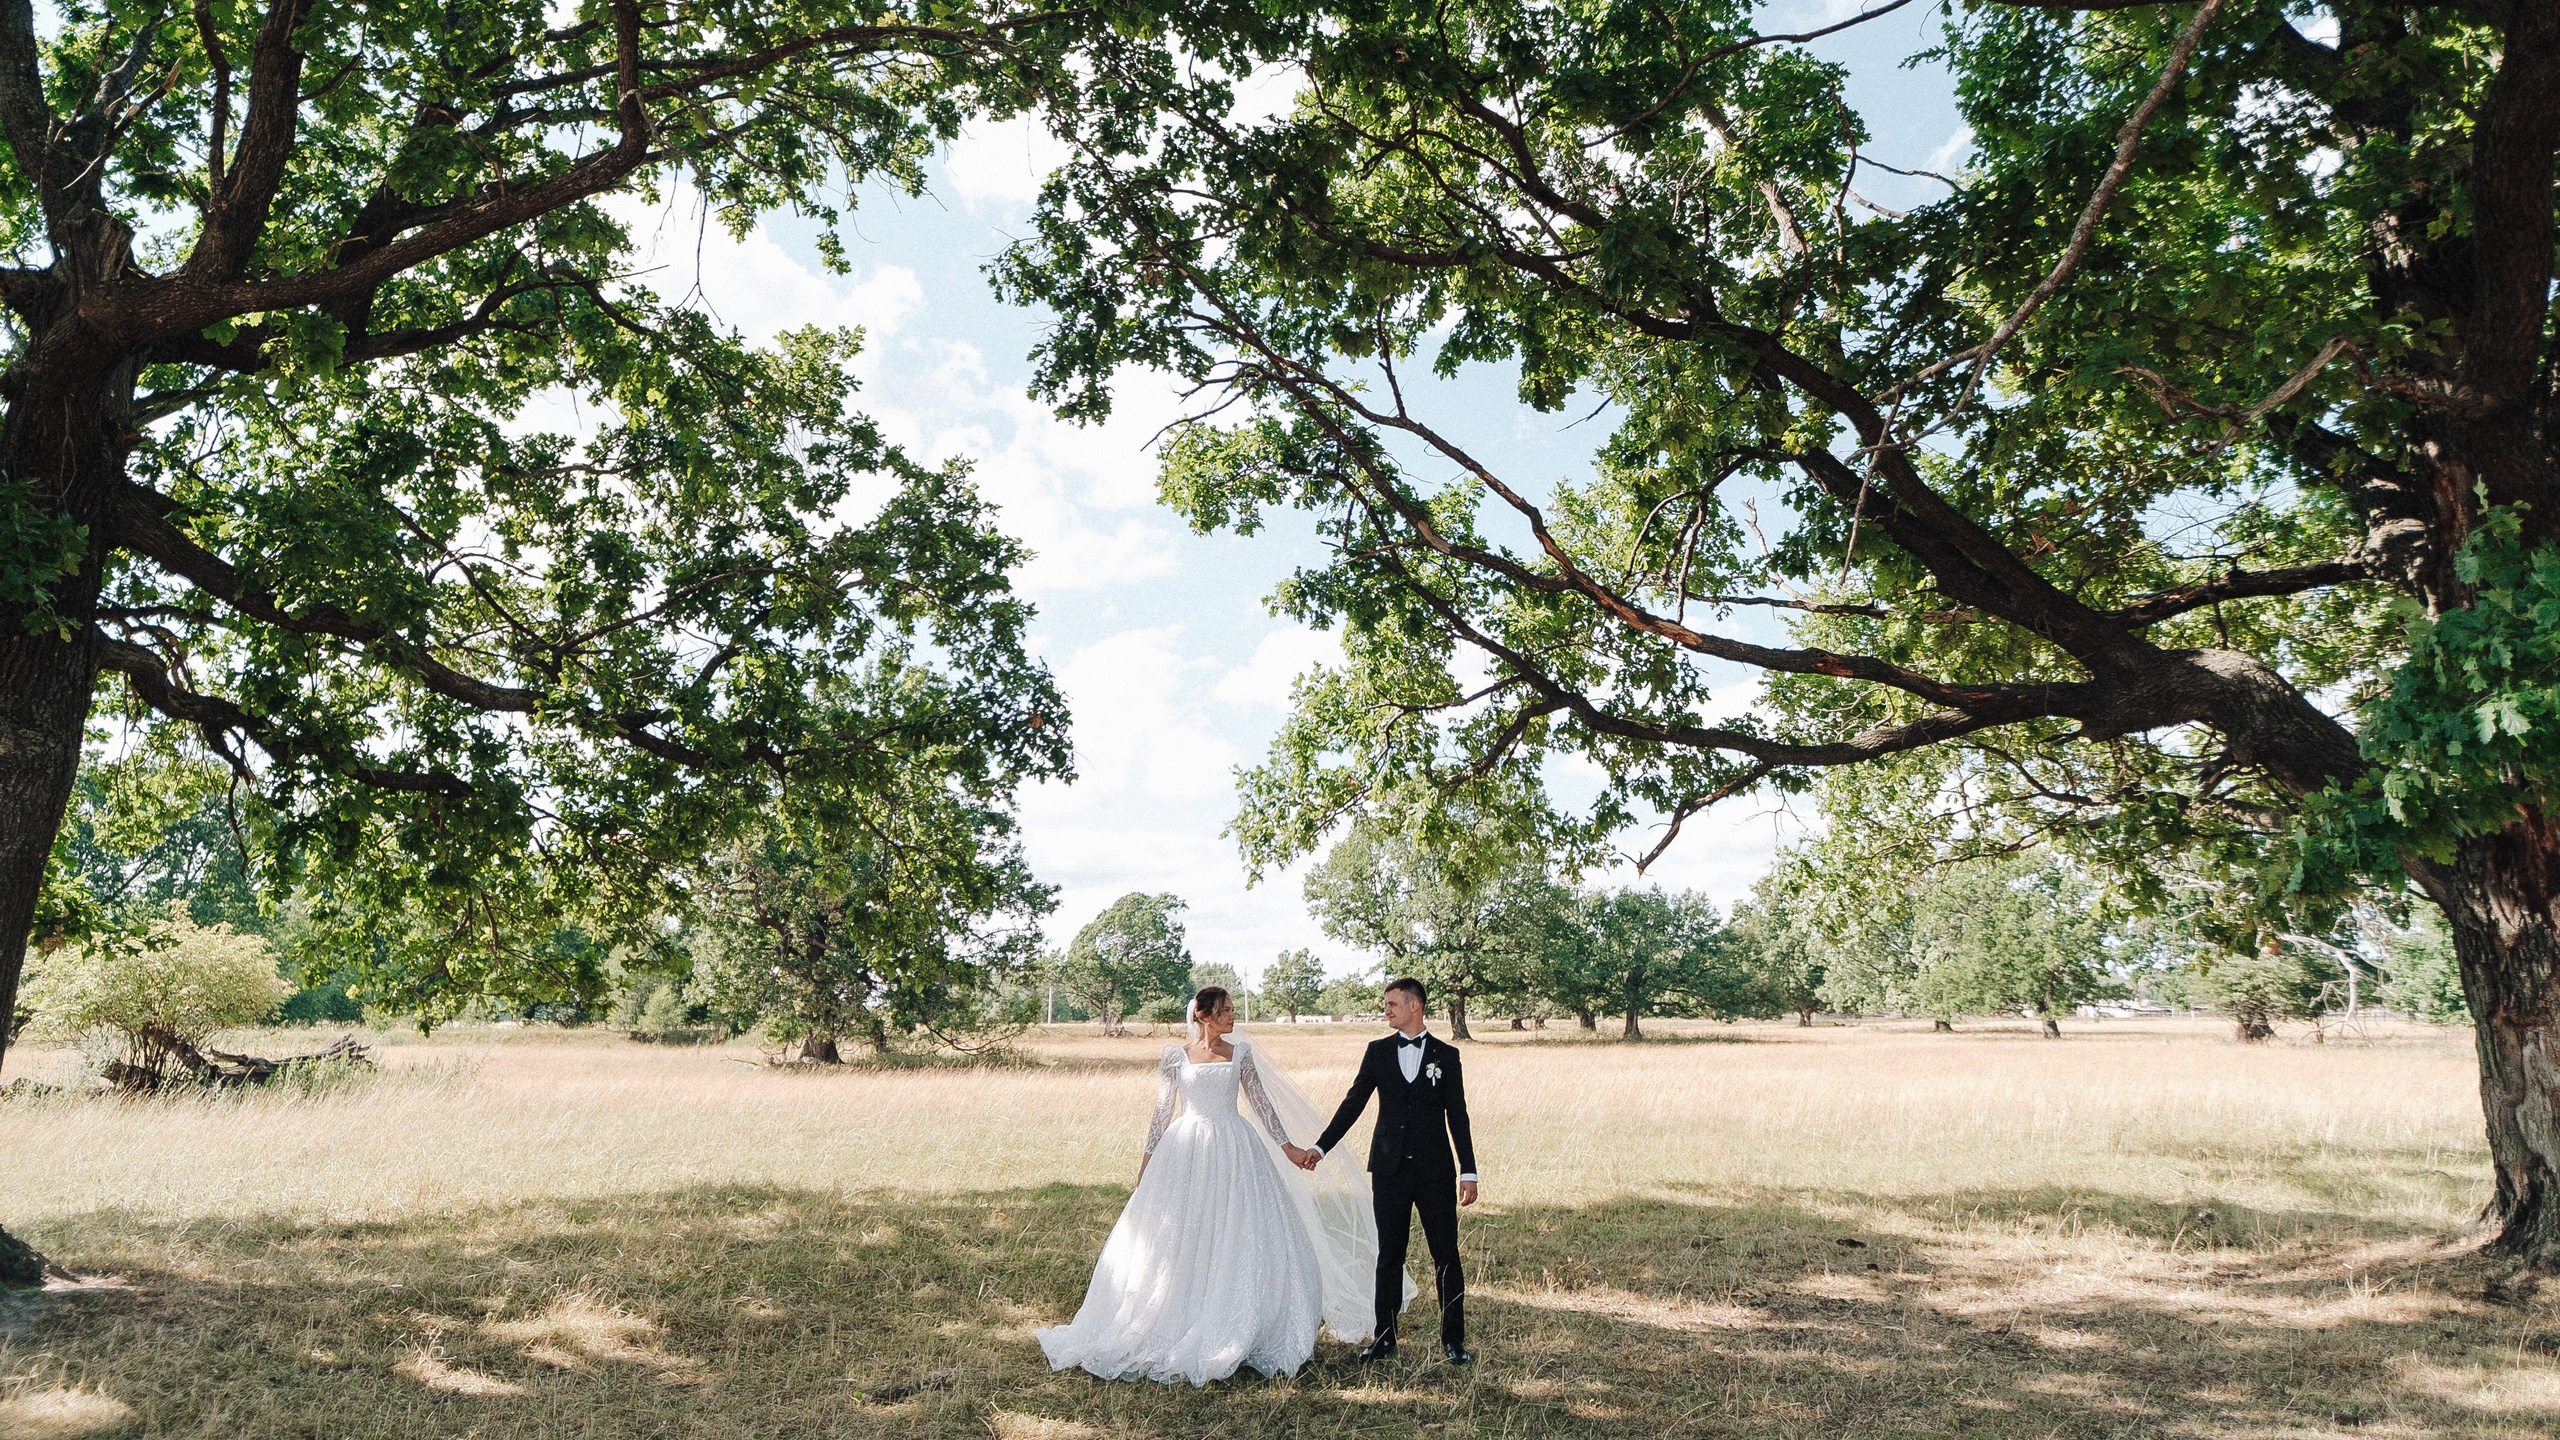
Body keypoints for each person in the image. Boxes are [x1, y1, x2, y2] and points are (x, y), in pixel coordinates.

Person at [1037, 986, 1405, 1384]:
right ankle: (1175, 1314)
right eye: (1225, 1011)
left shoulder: (1240, 1054)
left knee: (1239, 1229)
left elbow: (1262, 1104)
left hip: (1234, 1145)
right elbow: (1161, 1114)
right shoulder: (1174, 1056)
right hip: (1185, 1148)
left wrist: (1289, 1149)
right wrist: (1147, 1165)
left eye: (1232, 1010)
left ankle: (1241, 1321)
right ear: (1203, 1015)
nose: (1232, 1017)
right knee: (1180, 1233)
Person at [1298, 975, 1478, 1364]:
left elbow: (1458, 1116)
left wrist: (1469, 1170)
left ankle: (1453, 1341)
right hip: (1389, 1169)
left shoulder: (1447, 1057)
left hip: (1435, 1171)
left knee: (1445, 1255)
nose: (1387, 1010)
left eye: (1392, 1004)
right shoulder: (1377, 1051)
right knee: (1388, 1256)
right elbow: (1353, 1103)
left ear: (1415, 1005)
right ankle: (1384, 1337)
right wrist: (1320, 1147)